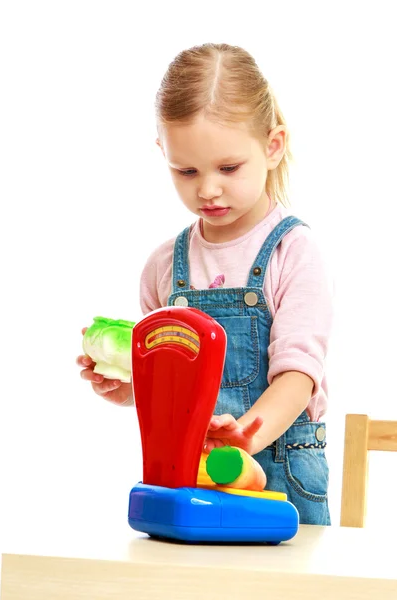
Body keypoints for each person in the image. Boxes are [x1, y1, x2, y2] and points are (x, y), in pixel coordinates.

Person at [77, 43, 334, 525]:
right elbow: (169, 384)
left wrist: (246, 439)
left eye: (228, 168)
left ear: (273, 146)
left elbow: (298, 376)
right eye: (186, 170)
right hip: (190, 473)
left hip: (278, 471)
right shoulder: (163, 267)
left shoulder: (293, 251)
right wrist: (128, 387)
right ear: (163, 153)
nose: (207, 189)